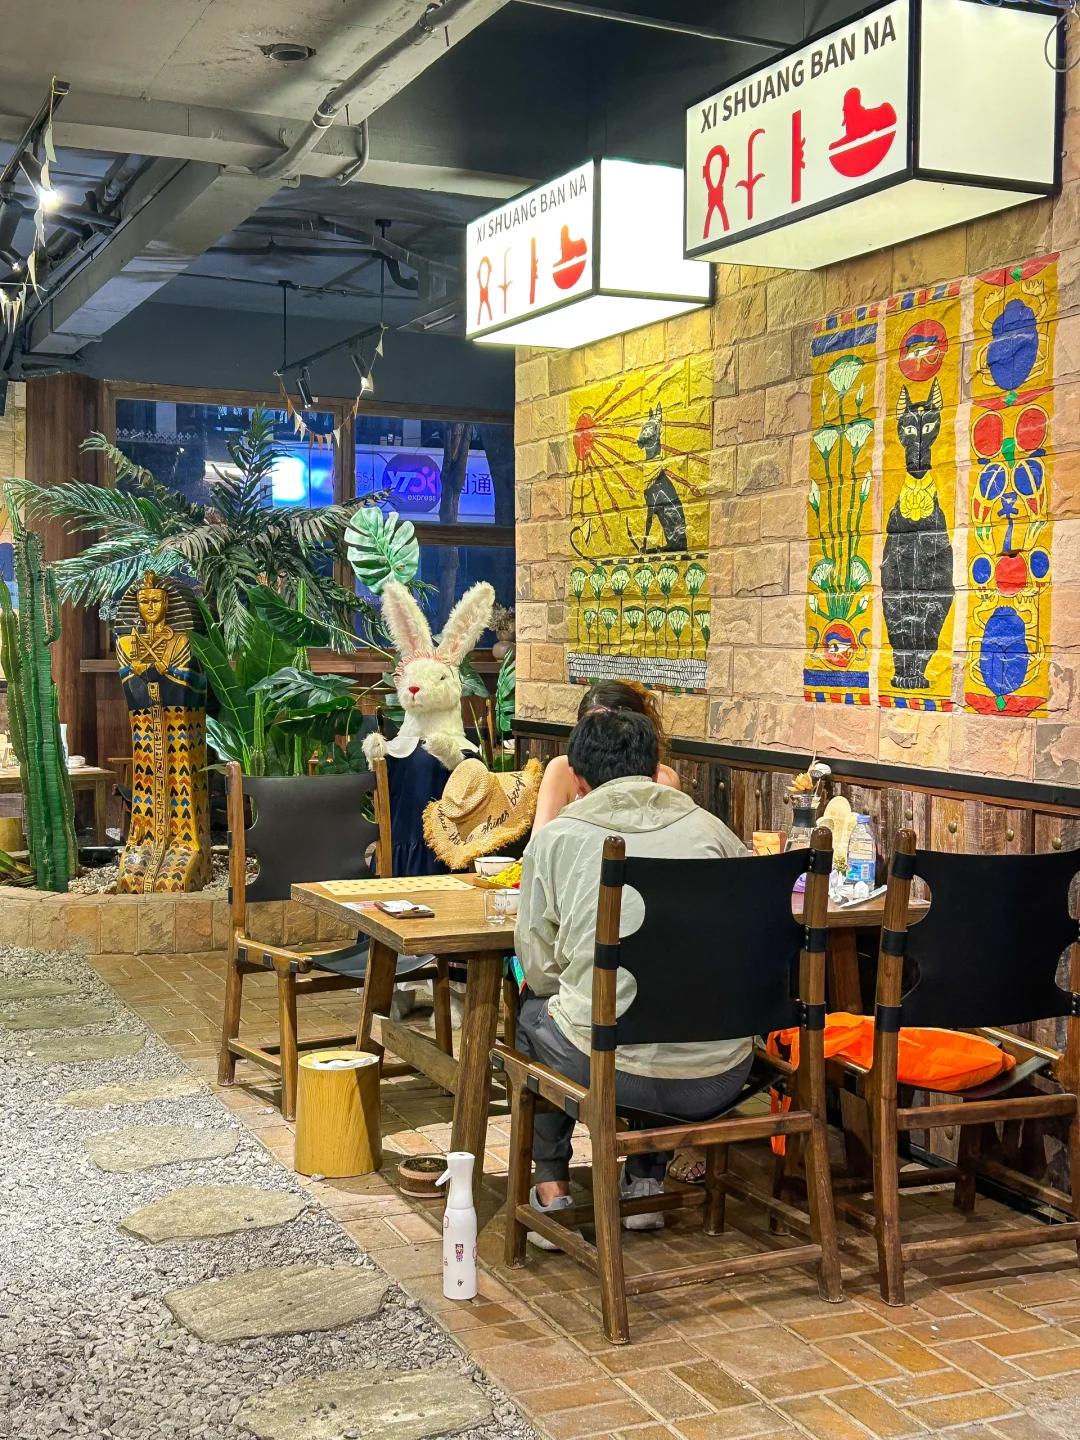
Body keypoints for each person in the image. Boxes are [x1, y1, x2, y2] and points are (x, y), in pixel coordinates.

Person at [515, 708, 752, 1242]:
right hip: (721, 1072)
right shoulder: (713, 832)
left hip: (609, 1070)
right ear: (653, 770)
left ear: (578, 778)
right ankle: (646, 1185)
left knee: (535, 1007)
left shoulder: (557, 839)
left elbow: (539, 967)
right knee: (669, 1006)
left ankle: (552, 1189)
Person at [532, 679, 680, 830]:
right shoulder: (561, 770)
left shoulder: (665, 780)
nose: (605, 742)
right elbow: (540, 838)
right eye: (595, 731)